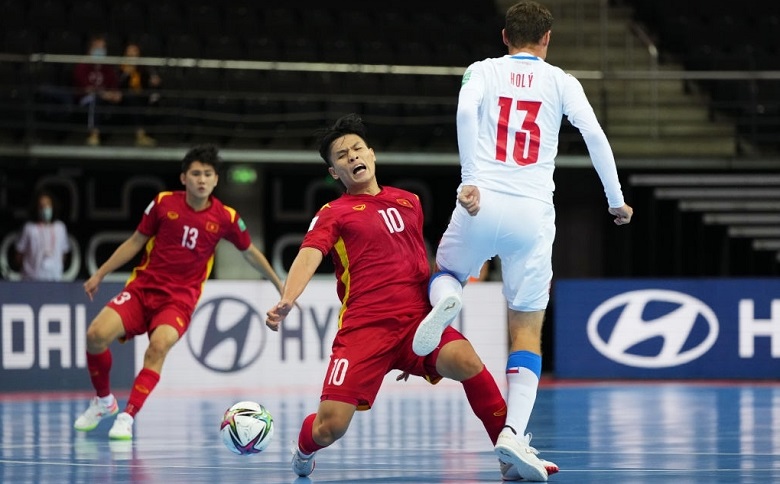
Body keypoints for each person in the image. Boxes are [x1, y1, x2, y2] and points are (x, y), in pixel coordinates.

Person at [265, 114, 558, 481]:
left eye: (357, 149)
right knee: (330, 427)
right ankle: (304, 450)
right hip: (364, 331)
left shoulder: (409, 202)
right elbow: (309, 254)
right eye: (342, 155)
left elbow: (420, 260)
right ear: (334, 172)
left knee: (467, 361)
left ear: (371, 155)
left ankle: (509, 454)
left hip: (419, 324)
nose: (352, 156)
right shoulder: (333, 213)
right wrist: (289, 298)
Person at [410, 1, 634, 481]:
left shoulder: (482, 71)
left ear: (504, 36)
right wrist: (615, 200)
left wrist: (470, 178)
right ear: (547, 39)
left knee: (445, 273)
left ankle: (450, 300)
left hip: (482, 200)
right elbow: (595, 136)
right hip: (533, 214)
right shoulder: (563, 82)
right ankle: (512, 432)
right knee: (526, 330)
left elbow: (466, 112)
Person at [73, 144, 284, 440]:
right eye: (195, 173)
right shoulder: (163, 203)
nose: (201, 179)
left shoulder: (226, 217)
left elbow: (249, 253)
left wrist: (278, 283)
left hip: (179, 300)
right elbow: (135, 242)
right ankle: (104, 401)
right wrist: (100, 273)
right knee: (95, 336)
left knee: (158, 346)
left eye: (207, 174)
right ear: (184, 178)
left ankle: (128, 415)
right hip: (142, 289)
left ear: (215, 180)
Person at [73, 33, 123, 146]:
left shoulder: (108, 68)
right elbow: (86, 88)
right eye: (97, 48)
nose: (100, 50)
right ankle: (93, 134)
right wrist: (103, 94)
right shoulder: (82, 66)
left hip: (105, 99)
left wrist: (116, 94)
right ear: (90, 49)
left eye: (102, 48)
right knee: (95, 100)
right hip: (86, 99)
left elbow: (114, 86)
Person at [14, 190, 71, 281]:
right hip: (32, 279)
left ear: (53, 206)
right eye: (41, 206)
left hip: (55, 278)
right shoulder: (29, 228)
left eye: (48, 205)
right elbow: (19, 254)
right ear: (37, 209)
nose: (45, 209)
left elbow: (64, 253)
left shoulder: (60, 227)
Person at [118, 41, 161, 147]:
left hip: (142, 96)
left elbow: (152, 78)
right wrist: (126, 74)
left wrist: (154, 80)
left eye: (135, 53)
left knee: (153, 100)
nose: (132, 56)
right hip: (124, 98)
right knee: (132, 98)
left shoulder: (144, 67)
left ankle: (149, 135)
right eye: (130, 54)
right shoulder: (120, 67)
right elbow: (117, 84)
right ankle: (140, 135)